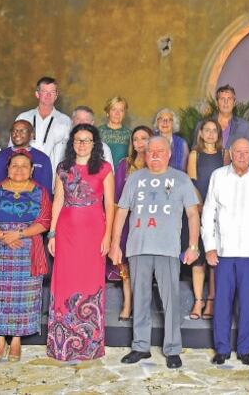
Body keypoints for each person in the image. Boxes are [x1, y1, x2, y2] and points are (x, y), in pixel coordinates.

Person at [111, 136, 201, 369]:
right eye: (150, 151)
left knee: (171, 300)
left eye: (160, 151)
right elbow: (121, 212)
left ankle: (172, 349)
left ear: (169, 154)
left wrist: (193, 246)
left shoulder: (180, 179)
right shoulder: (135, 178)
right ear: (144, 154)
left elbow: (192, 214)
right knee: (140, 299)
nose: (155, 155)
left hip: (167, 248)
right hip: (138, 247)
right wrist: (114, 244)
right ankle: (140, 346)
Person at [0, 151, 52, 363]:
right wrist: (1, 235)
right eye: (14, 165)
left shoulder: (40, 192)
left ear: (32, 169)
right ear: (7, 168)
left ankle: (16, 341)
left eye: (24, 165)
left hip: (26, 249)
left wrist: (20, 234)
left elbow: (45, 221)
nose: (19, 169)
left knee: (22, 297)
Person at [46, 124, 115, 362]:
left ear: (94, 144)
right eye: (78, 140)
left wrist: (107, 237)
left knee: (90, 283)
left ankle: (90, 344)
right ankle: (62, 343)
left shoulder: (104, 169)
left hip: (94, 234)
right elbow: (57, 202)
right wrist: (52, 234)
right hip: (66, 233)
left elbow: (109, 205)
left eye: (86, 140)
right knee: (64, 283)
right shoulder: (63, 168)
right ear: (72, 143)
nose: (82, 144)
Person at [202, 138, 249, 365]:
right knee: (222, 302)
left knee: (247, 303)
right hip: (223, 251)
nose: (242, 156)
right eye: (238, 152)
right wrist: (210, 246)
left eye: (246, 152)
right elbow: (208, 213)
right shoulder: (219, 176)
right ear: (230, 153)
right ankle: (221, 349)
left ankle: (245, 350)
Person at [107, 126, 153, 321]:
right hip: (127, 221)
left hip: (150, 222)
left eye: (144, 138)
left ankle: (142, 306)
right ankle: (127, 304)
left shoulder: (157, 165)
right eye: (136, 139)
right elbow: (117, 198)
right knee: (126, 264)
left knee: (145, 264)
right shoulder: (124, 165)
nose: (140, 142)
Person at [187, 118, 224, 321]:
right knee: (198, 256)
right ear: (200, 133)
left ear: (219, 134)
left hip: (220, 212)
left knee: (214, 258)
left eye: (214, 130)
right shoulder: (195, 154)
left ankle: (211, 300)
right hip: (199, 210)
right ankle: (198, 300)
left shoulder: (225, 154)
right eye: (207, 130)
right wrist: (201, 208)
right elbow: (191, 183)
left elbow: (228, 182)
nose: (210, 134)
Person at [0, 120, 53, 194]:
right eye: (14, 131)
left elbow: (46, 191)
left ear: (32, 134)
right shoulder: (0, 157)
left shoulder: (43, 159)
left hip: (34, 203)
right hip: (5, 202)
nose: (17, 134)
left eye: (22, 131)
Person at [14, 76, 72, 153]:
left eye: (52, 92)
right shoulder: (23, 118)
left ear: (56, 95)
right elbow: (12, 148)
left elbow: (70, 151)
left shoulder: (65, 121)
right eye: (45, 91)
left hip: (53, 165)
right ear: (37, 94)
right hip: (27, 164)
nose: (48, 95)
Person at [193, 84, 249, 156]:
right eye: (222, 99)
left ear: (234, 103)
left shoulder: (245, 126)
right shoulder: (202, 124)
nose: (226, 102)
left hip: (233, 167)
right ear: (217, 103)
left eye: (229, 99)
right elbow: (195, 152)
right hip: (208, 166)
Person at [48, 106, 114, 172]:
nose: (82, 123)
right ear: (72, 121)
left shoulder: (104, 148)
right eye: (78, 119)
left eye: (86, 119)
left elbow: (109, 176)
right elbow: (53, 175)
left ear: (92, 123)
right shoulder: (59, 147)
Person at [99, 96, 131, 168]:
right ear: (107, 112)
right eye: (114, 110)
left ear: (124, 114)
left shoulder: (130, 134)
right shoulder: (97, 132)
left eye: (121, 110)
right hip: (102, 175)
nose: (117, 113)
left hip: (122, 176)